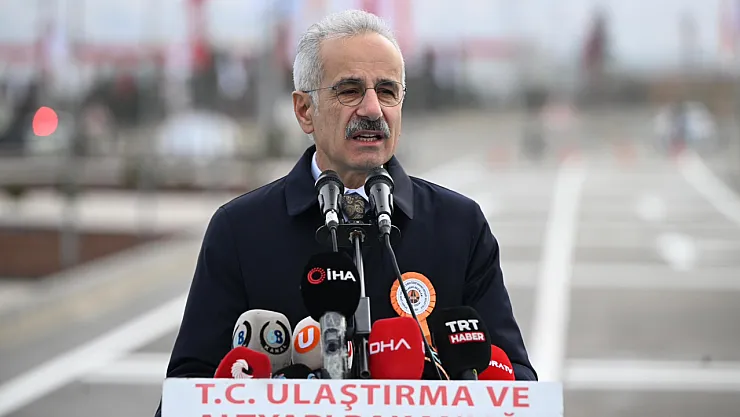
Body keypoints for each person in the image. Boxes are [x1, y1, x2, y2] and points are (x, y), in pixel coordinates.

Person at [155, 9, 535, 415]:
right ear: (305, 110)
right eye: (350, 90)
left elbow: (514, 383)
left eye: (387, 91)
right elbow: (186, 392)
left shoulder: (460, 225)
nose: (372, 109)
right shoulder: (240, 230)